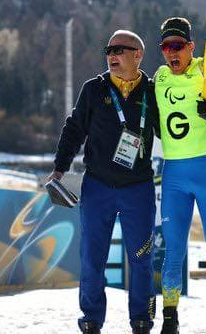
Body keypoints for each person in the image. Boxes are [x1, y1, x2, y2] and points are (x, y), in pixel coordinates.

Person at [50, 30, 159, 334]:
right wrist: (59, 168)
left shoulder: (153, 91)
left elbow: (173, 131)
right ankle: (91, 319)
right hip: (98, 186)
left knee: (141, 259)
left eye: (119, 50)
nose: (111, 55)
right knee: (93, 259)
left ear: (138, 55)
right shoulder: (94, 89)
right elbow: (74, 129)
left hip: (138, 188)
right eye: (108, 50)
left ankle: (141, 319)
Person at [153, 17, 206, 334]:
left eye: (177, 47)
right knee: (172, 251)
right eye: (165, 47)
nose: (171, 54)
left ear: (190, 47)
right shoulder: (159, 77)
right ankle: (170, 321)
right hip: (174, 174)